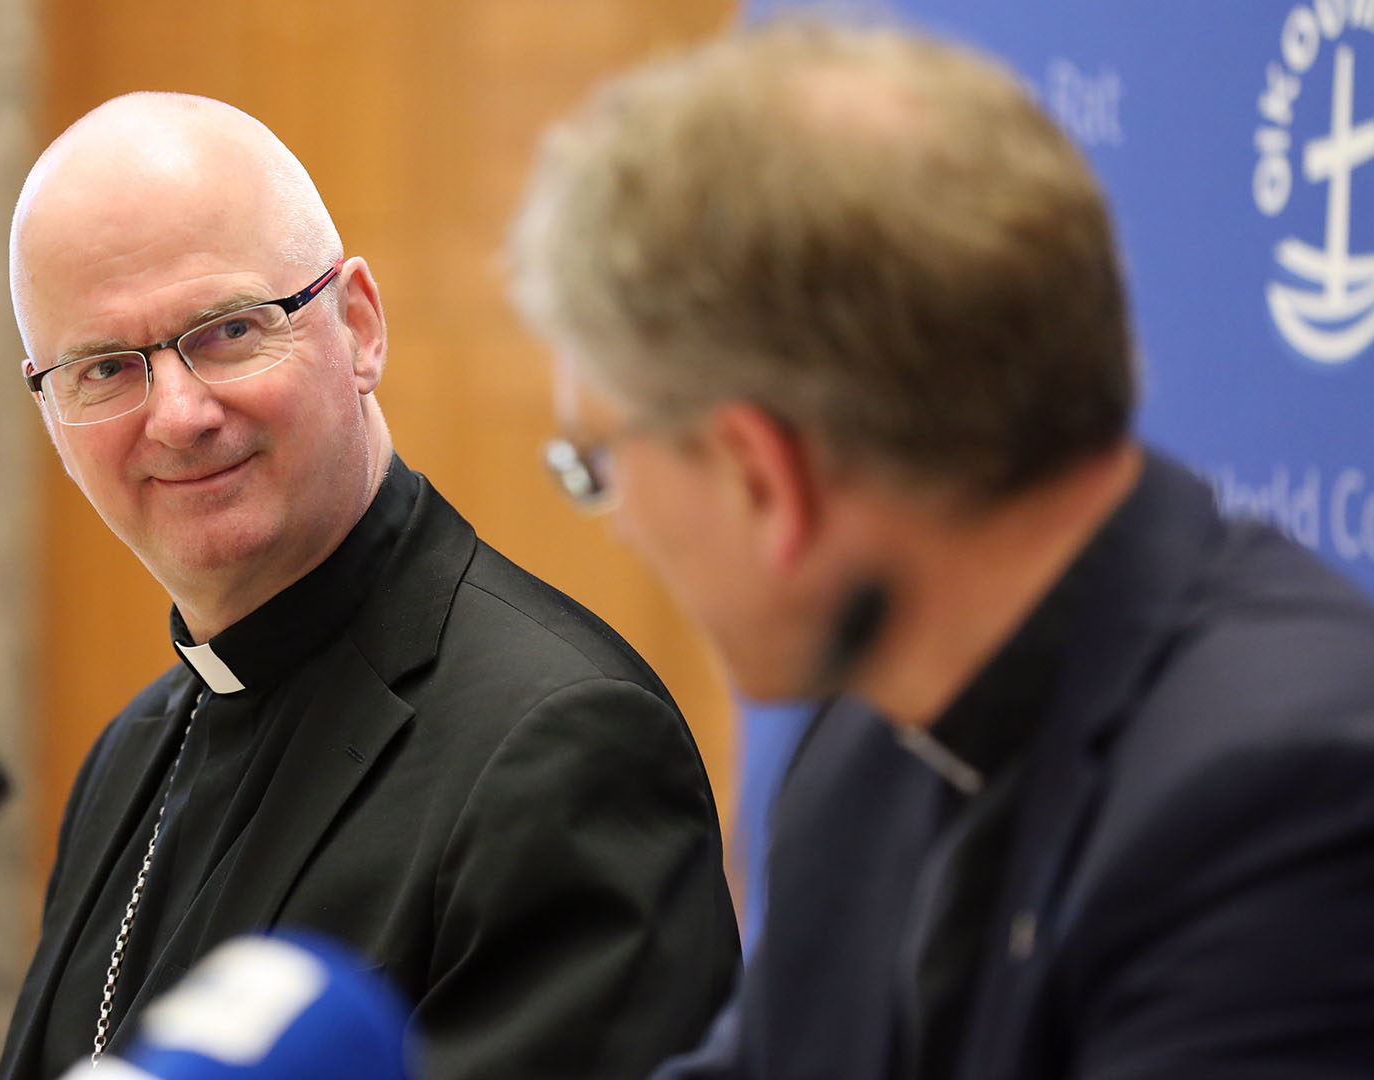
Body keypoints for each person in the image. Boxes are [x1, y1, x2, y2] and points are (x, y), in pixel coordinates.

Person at [509, 17, 1374, 1080]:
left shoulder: (1285, 803)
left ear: (761, 477)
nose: (625, 518)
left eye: (603, 462)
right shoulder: (867, 750)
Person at [0, 92, 738, 1080]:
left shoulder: (558, 742)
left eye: (225, 332)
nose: (178, 415)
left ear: (359, 327)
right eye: (103, 369)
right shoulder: (131, 758)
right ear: (51, 411)